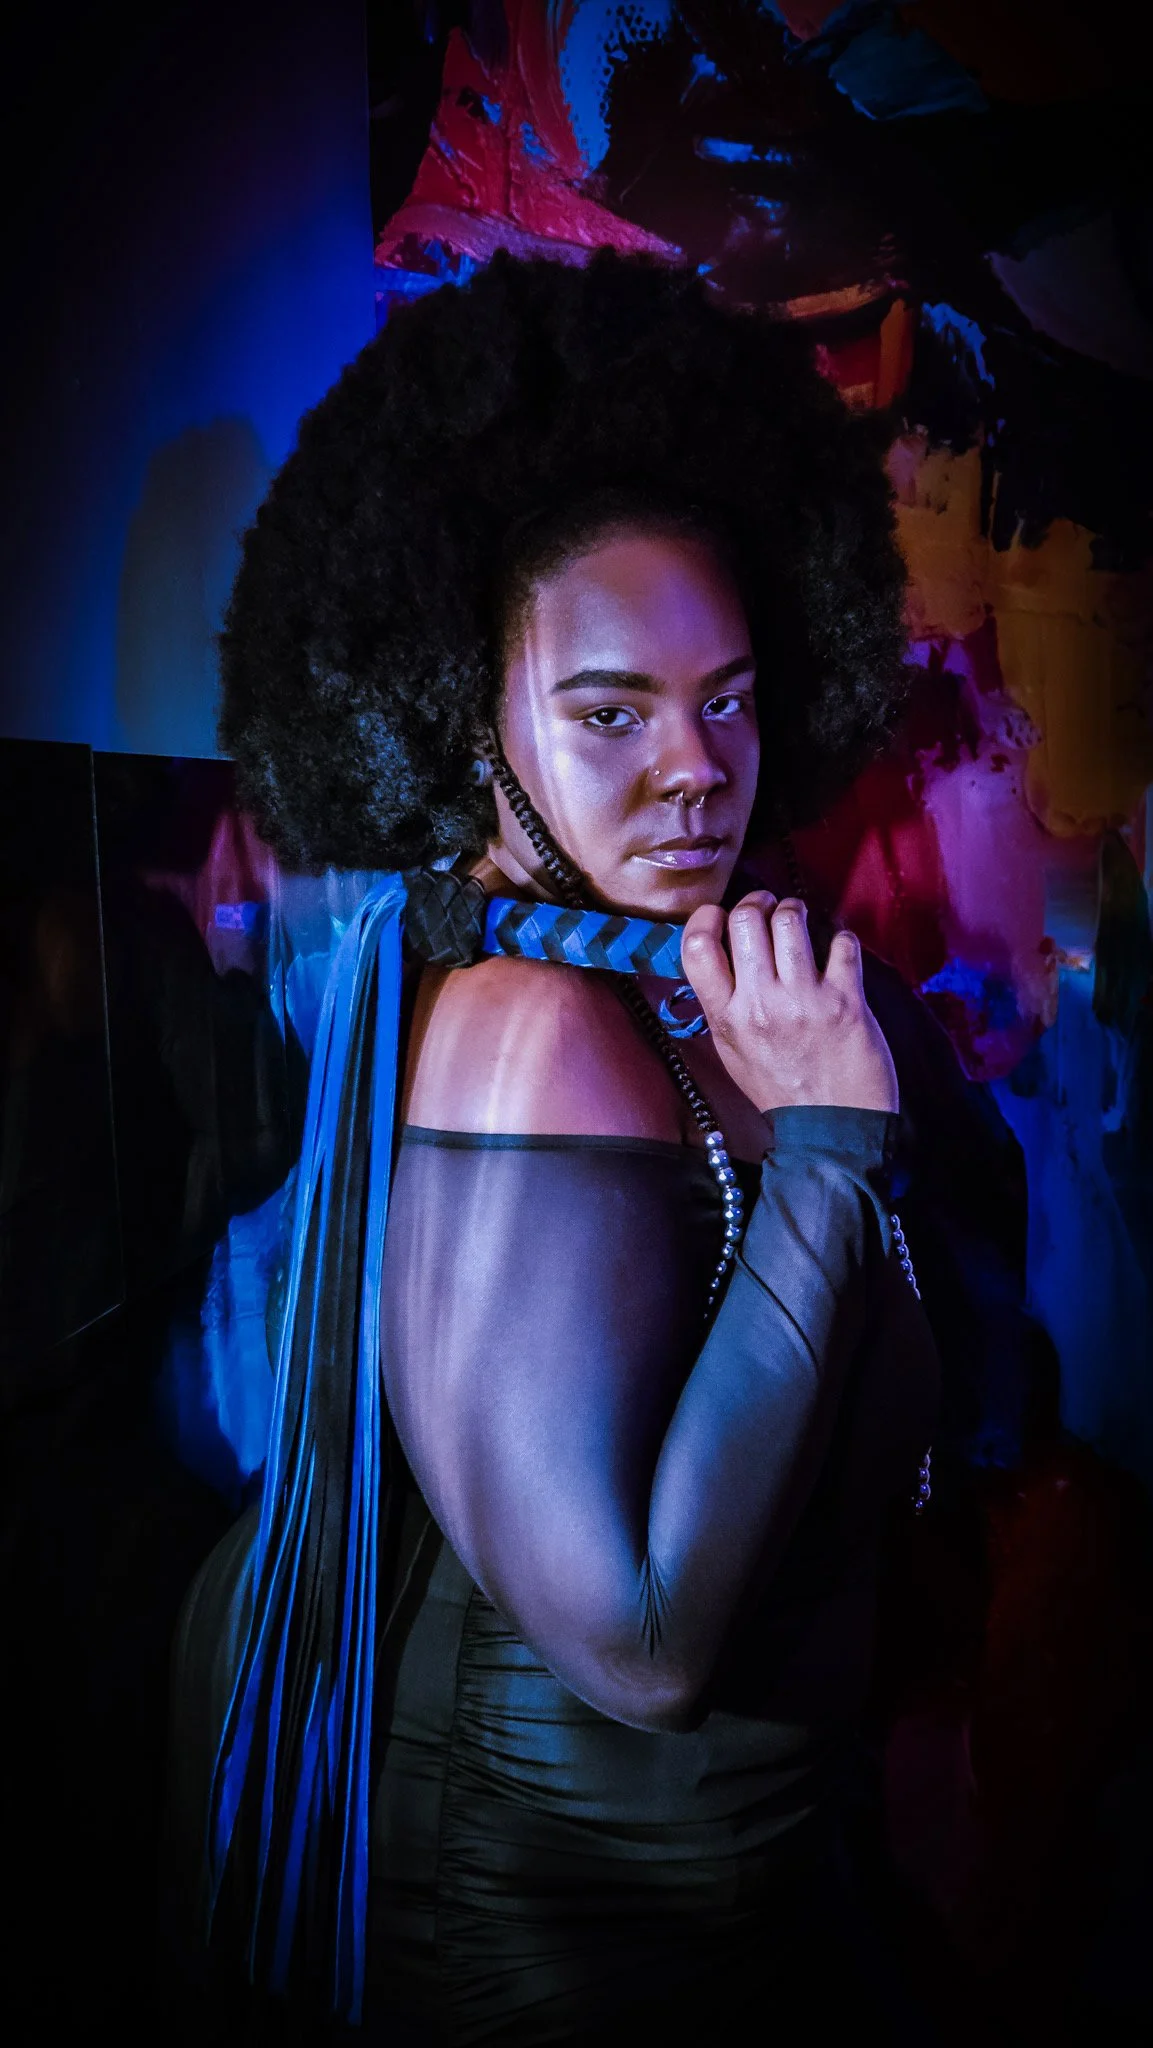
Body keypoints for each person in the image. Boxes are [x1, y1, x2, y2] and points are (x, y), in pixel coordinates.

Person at [166, 249, 943, 2045]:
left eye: (731, 696)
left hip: (758, 1890)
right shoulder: (529, 1033)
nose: (697, 765)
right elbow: (644, 1642)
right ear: (464, 721)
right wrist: (828, 1147)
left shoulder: (688, 989)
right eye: (611, 711)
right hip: (576, 1938)